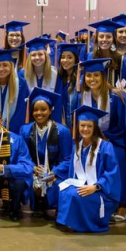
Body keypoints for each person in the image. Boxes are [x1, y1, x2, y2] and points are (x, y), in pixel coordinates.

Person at [72, 58, 126, 221]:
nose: (92, 79)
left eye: (96, 75)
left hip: (112, 140)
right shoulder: (81, 97)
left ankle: (120, 203)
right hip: (89, 140)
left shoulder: (115, 96)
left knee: (117, 156)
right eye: (88, 75)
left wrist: (106, 139)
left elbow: (122, 124)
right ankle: (90, 197)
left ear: (103, 76)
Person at [53, 106, 121, 233]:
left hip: (102, 192)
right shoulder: (77, 146)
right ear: (77, 127)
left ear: (95, 127)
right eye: (82, 125)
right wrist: (54, 172)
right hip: (83, 185)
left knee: (75, 194)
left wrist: (96, 187)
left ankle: (79, 224)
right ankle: (69, 222)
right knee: (63, 188)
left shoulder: (106, 146)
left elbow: (112, 172)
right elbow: (70, 166)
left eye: (89, 126)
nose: (85, 129)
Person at [20, 88, 73, 220]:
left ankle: (56, 207)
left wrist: (55, 172)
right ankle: (38, 205)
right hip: (33, 170)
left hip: (55, 171)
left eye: (43, 109)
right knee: (25, 180)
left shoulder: (62, 131)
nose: (39, 113)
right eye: (35, 110)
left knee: (59, 183)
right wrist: (32, 167)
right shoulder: (25, 130)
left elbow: (68, 158)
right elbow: (22, 156)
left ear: (50, 110)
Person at [87, 19, 126, 84]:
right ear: (97, 39)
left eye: (108, 37)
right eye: (101, 36)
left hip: (114, 94)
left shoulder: (121, 59)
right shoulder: (90, 56)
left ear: (113, 39)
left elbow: (125, 82)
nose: (104, 39)